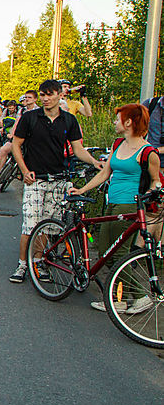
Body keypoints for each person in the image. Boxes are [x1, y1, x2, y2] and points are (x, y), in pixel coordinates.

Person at [9, 79, 103, 283]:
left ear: (60, 95)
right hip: (36, 179)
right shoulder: (30, 118)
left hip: (59, 179)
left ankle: (39, 261)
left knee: (48, 225)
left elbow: (78, 149)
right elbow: (16, 145)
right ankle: (22, 265)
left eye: (49, 94)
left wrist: (95, 162)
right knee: (30, 224)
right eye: (42, 95)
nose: (45, 98)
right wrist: (24, 171)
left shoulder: (69, 120)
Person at [69, 103, 160, 313]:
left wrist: (154, 195)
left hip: (130, 205)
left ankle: (139, 296)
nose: (114, 122)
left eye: (118, 119)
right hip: (112, 203)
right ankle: (120, 298)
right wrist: (83, 190)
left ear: (129, 122)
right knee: (104, 252)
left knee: (118, 254)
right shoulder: (118, 143)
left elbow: (156, 180)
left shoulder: (148, 152)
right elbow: (105, 173)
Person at [0, 91, 38, 181]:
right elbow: (17, 122)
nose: (27, 99)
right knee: (4, 149)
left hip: (32, 139)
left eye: (29, 97)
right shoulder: (22, 110)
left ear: (35, 99)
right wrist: (11, 134)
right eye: (26, 97)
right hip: (20, 137)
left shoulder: (38, 111)